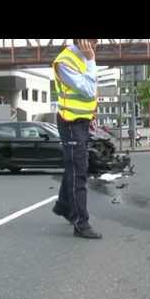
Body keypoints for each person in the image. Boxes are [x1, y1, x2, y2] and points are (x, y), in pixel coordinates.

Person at [51, 39, 102, 239]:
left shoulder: (83, 57)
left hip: (80, 120)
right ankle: (81, 223)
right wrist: (91, 61)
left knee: (77, 166)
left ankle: (63, 206)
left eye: (97, 41)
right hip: (70, 121)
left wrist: (91, 115)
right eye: (92, 41)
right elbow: (88, 89)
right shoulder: (65, 61)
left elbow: (89, 95)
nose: (95, 44)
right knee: (78, 170)